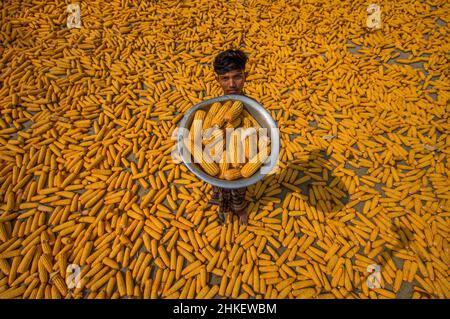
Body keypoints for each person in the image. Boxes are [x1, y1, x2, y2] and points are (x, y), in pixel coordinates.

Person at [208, 49, 250, 225]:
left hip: (240, 165)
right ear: (217, 80)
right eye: (225, 78)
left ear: (245, 76)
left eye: (237, 77)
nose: (232, 83)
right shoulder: (214, 107)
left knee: (239, 190)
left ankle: (239, 208)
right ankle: (223, 208)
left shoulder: (251, 108)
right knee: (218, 188)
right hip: (216, 163)